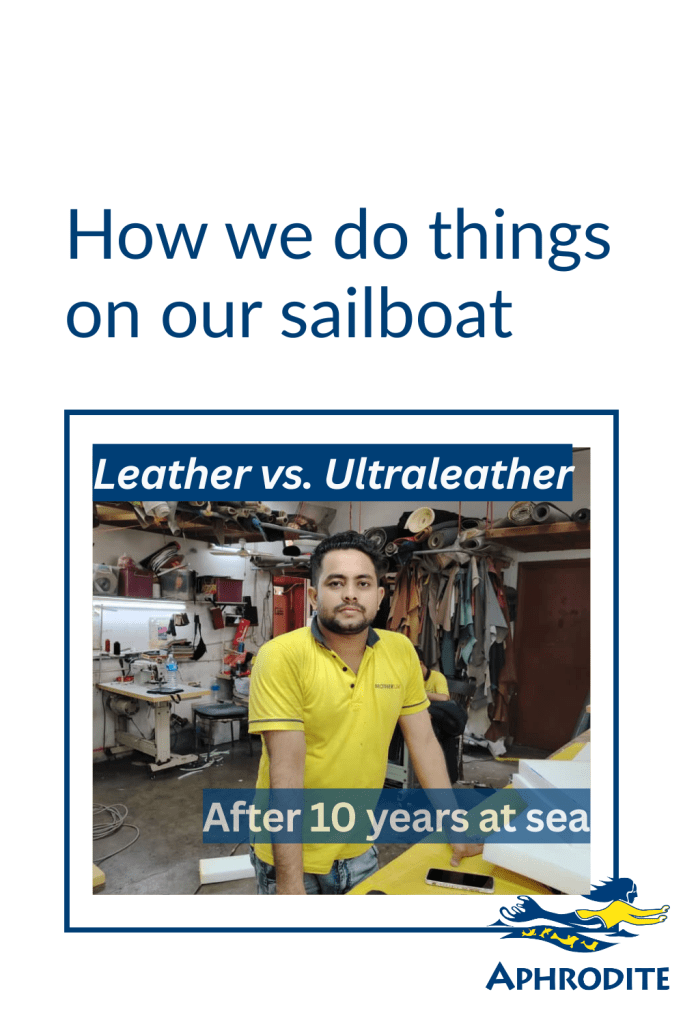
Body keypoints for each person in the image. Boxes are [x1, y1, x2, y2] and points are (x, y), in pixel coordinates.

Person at [248, 530, 482, 895]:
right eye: (336, 582)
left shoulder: (400, 651)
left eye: (363, 582)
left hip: (359, 845)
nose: (350, 593)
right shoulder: (281, 656)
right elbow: (286, 771)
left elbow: (422, 741)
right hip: (289, 854)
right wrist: (290, 883)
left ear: (379, 596)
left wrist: (456, 825)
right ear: (313, 595)